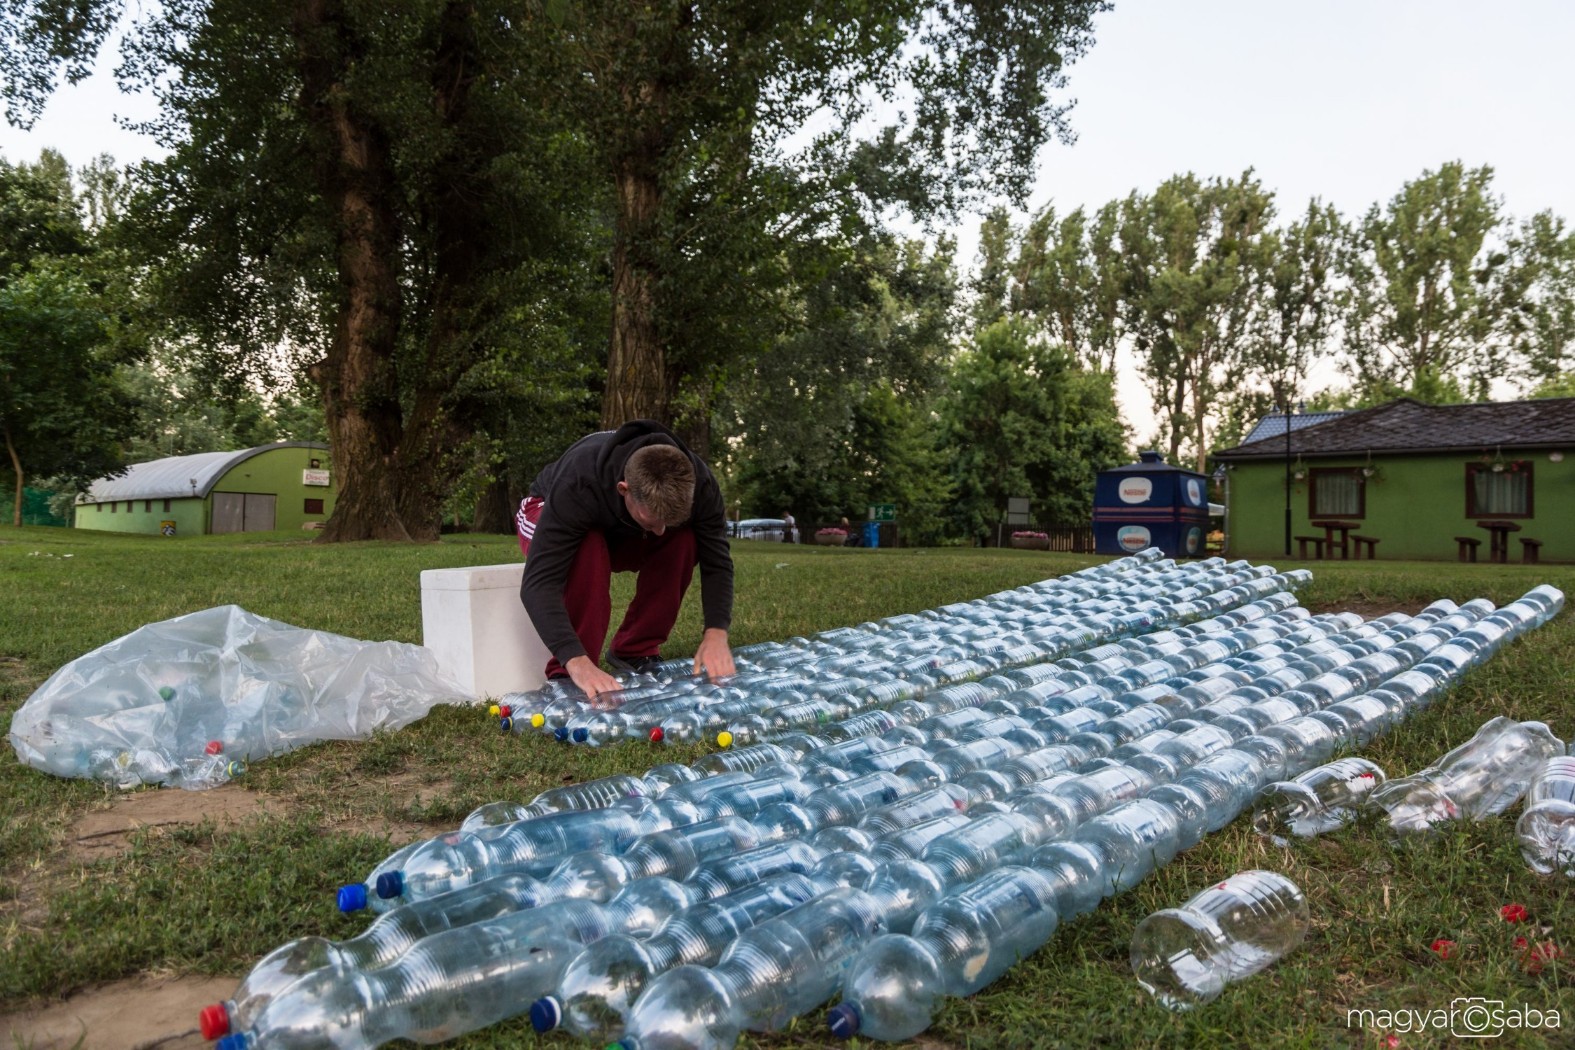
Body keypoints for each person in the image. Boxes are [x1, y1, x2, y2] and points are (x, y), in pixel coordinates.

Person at [516, 420, 736, 699]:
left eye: (668, 521)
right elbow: (538, 583)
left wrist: (716, 632)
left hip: (625, 531)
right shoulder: (579, 481)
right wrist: (575, 660)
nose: (660, 532)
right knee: (589, 545)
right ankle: (571, 671)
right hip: (547, 511)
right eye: (652, 520)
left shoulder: (701, 484)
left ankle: (635, 649)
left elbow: (717, 562)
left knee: (683, 539)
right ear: (624, 489)